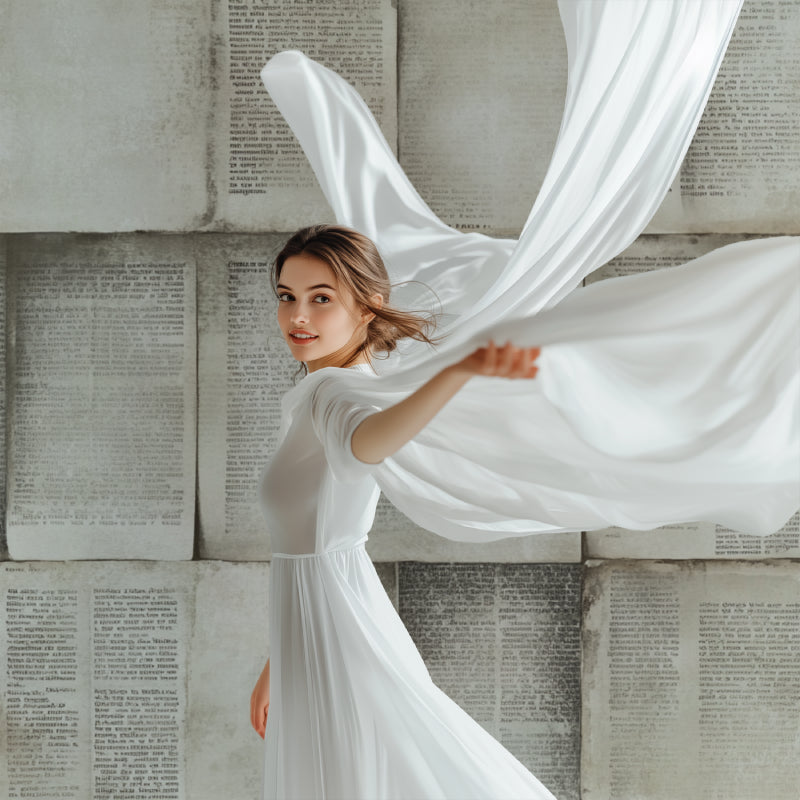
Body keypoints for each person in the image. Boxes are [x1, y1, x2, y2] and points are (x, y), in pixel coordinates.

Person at [250, 224, 554, 799]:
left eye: (321, 298)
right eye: (287, 297)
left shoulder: (335, 394)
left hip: (338, 625)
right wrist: (278, 659)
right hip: (321, 619)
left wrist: (456, 374)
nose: (298, 316)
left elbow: (366, 444)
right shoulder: (329, 389)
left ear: (369, 308)